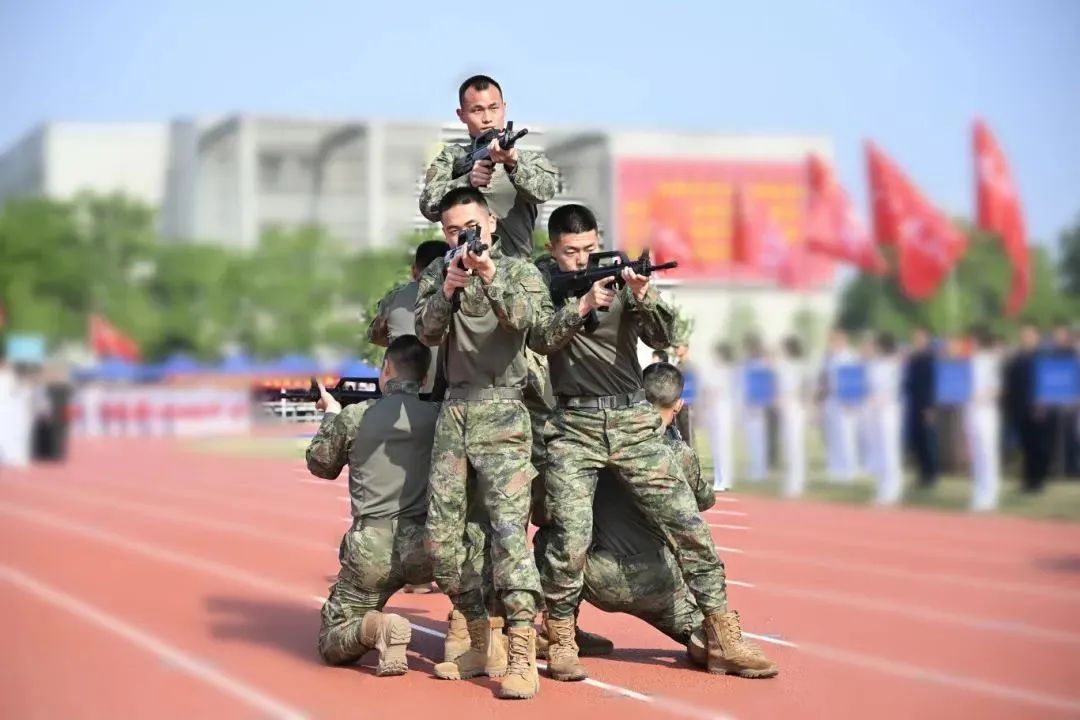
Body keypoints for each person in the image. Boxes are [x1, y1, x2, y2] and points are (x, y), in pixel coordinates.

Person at [530, 203, 778, 682]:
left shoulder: (621, 277)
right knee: (570, 538)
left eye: (589, 248)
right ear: (552, 249)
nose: (581, 259)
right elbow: (540, 338)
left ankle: (724, 633)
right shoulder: (540, 282)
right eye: (571, 252)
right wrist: (583, 305)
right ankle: (560, 636)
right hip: (574, 425)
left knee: (688, 524)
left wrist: (643, 295)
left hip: (631, 419)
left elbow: (664, 335)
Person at [415, 187, 596, 699]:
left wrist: (490, 276)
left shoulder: (519, 272)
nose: (463, 237)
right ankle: (479, 638)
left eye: (470, 227)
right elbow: (426, 334)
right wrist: (448, 289)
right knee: (442, 540)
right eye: (452, 231)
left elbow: (533, 329)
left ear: (491, 223)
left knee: (509, 534)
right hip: (455, 411)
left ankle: (520, 649)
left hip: (504, 411)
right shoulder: (440, 272)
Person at [534, 362, 714, 666]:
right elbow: (703, 501)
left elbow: (548, 510)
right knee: (702, 635)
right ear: (678, 404)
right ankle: (706, 642)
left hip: (593, 575)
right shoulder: (677, 453)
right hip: (657, 580)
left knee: (552, 538)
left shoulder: (595, 444)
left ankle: (560, 627)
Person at [305, 336, 440, 676]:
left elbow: (321, 464)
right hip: (431, 548)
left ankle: (375, 628)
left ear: (386, 369)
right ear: (424, 378)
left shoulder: (355, 417)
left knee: (331, 639)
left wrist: (332, 415)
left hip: (373, 551)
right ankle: (480, 635)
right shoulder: (440, 416)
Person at [419, 74, 557, 258]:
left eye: (494, 108)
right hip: (465, 267)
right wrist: (467, 181)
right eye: (477, 110)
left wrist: (513, 163)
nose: (487, 118)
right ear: (461, 115)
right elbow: (428, 206)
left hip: (515, 270)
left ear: (504, 108)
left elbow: (546, 191)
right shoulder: (451, 158)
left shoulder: (528, 160)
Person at [367, 239, 450, 395]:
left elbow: (375, 336)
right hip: (445, 394)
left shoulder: (393, 298)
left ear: (414, 271)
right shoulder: (459, 297)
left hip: (401, 393)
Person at [964, 325, 1002, 511]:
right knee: (976, 453)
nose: (972, 342)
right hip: (970, 410)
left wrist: (982, 396)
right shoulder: (969, 361)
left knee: (987, 452)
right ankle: (979, 492)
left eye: (974, 339)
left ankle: (991, 494)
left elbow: (996, 389)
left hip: (986, 410)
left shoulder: (991, 361)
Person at [867, 332, 904, 505]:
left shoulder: (893, 364)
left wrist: (881, 399)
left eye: (875, 344)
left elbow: (893, 388)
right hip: (874, 411)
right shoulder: (874, 364)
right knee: (879, 450)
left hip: (888, 410)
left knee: (889, 450)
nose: (873, 347)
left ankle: (893, 490)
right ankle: (881, 488)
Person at [820, 328, 860, 483]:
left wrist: (852, 401)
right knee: (832, 434)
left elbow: (854, 379)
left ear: (843, 340)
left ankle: (849, 469)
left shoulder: (850, 356)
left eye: (836, 339)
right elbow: (823, 377)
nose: (833, 343)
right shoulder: (828, 357)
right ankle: (835, 468)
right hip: (831, 399)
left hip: (845, 400)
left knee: (846, 435)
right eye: (832, 340)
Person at [775, 336, 811, 498]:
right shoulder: (783, 366)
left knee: (795, 446)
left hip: (795, 408)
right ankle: (790, 481)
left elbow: (803, 389)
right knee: (787, 446)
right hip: (784, 409)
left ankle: (797, 483)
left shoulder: (799, 367)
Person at [903, 327, 939, 488]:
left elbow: (932, 384)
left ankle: (931, 475)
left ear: (926, 339)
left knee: (928, 440)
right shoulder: (912, 357)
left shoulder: (930, 357)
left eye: (920, 337)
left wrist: (930, 406)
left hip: (926, 404)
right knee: (917, 439)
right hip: (913, 403)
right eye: (915, 337)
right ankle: (922, 473)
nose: (917, 340)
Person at [699, 342, 735, 492]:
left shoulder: (728, 372)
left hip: (723, 410)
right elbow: (705, 390)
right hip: (712, 410)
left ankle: (725, 480)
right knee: (715, 446)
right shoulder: (710, 371)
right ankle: (719, 479)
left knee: (723, 445)